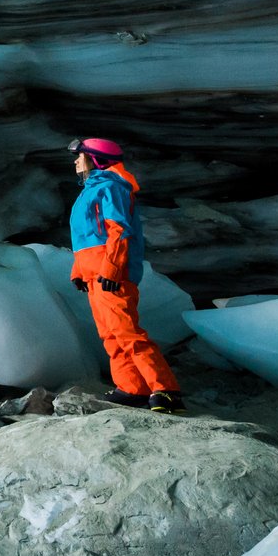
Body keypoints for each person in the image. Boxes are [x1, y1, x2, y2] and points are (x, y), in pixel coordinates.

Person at [67, 138, 184, 414]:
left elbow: (118, 230)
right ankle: (132, 388)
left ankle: (167, 391)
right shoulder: (90, 190)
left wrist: (112, 269)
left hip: (112, 273)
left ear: (96, 159)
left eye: (80, 156)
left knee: (127, 332)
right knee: (110, 335)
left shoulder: (111, 187)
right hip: (95, 274)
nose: (75, 161)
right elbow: (86, 237)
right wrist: (79, 271)